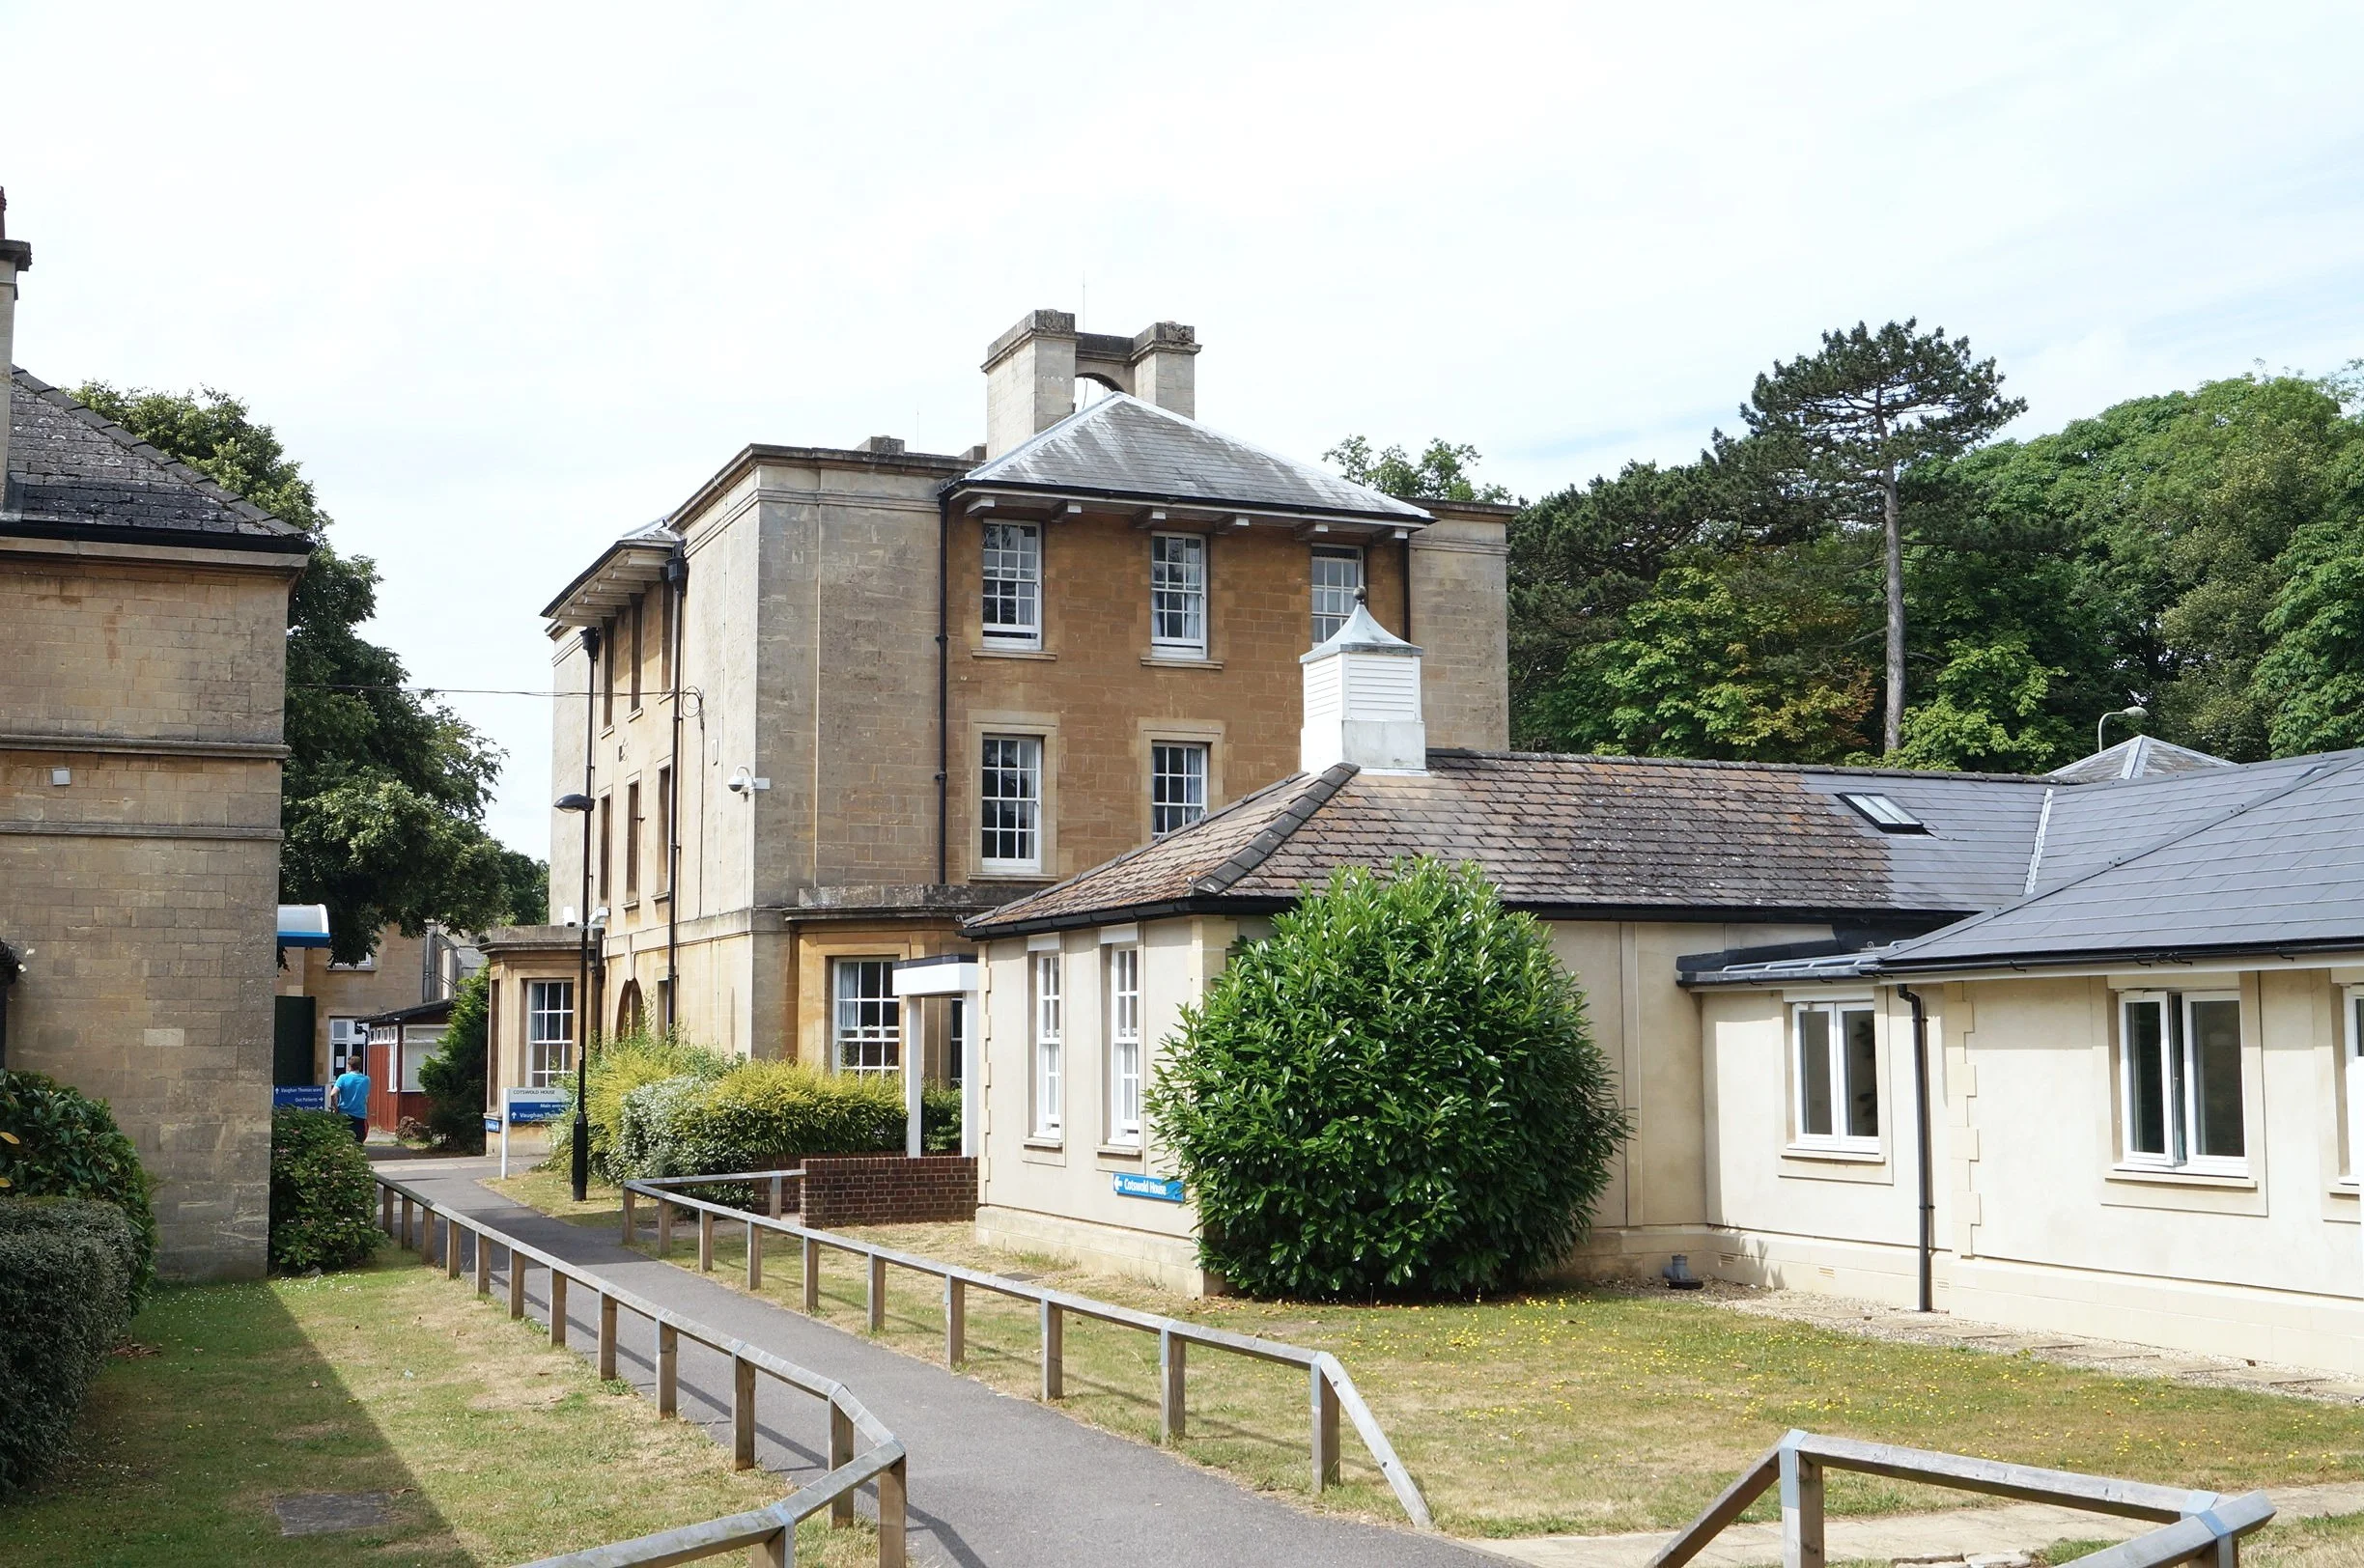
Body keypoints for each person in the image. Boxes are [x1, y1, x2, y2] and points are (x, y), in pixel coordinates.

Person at [332, 1061, 372, 1144]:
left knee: (343, 1143)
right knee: (358, 1143)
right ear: (360, 1066)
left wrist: (336, 1108)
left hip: (344, 1115)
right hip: (360, 1116)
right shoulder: (366, 1080)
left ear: (349, 1066)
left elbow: (333, 1094)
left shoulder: (342, 1078)